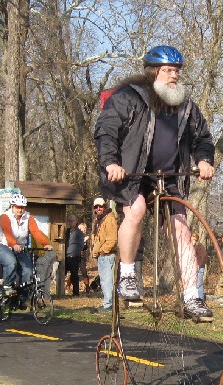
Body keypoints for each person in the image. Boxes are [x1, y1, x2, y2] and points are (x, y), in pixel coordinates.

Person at [94, 45, 215, 322]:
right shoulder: (129, 97)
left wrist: (204, 159)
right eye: (168, 71)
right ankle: (127, 276)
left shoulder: (185, 105)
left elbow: (203, 137)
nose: (174, 76)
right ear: (153, 73)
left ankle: (192, 296)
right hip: (133, 174)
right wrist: (111, 162)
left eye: (177, 71)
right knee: (134, 210)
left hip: (170, 177)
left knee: (182, 230)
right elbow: (107, 130)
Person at [0, 194, 53, 310]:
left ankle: (23, 299)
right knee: (11, 263)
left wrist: (45, 244)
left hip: (19, 247)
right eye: (17, 207)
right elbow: (8, 233)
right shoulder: (5, 217)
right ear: (12, 206)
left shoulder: (28, 218)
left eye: (22, 207)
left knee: (28, 271)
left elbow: (36, 232)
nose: (20, 210)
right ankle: (7, 287)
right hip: (1, 245)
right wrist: (13, 244)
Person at [90, 197, 117, 311]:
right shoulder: (99, 220)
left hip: (107, 255)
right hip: (102, 256)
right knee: (104, 280)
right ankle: (108, 303)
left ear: (104, 206)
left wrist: (103, 251)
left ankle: (108, 305)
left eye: (100, 206)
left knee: (107, 280)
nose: (98, 208)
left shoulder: (109, 219)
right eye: (96, 207)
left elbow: (112, 238)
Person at [64, 214, 84, 296]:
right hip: (65, 257)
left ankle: (76, 293)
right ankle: (61, 291)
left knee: (74, 275)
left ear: (76, 221)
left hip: (74, 257)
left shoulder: (79, 233)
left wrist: (75, 253)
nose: (71, 222)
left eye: (73, 220)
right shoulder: (67, 231)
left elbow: (81, 245)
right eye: (70, 220)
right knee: (62, 274)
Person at [191, 232, 207, 301]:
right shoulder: (190, 246)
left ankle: (201, 298)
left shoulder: (200, 246)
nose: (192, 240)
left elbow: (203, 257)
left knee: (199, 283)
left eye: (194, 239)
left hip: (199, 267)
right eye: (192, 238)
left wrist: (198, 265)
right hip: (192, 267)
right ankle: (194, 297)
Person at [78, 222, 90, 293]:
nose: (81, 230)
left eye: (83, 229)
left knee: (84, 272)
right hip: (75, 256)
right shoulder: (76, 236)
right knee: (74, 271)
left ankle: (87, 287)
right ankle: (68, 286)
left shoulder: (86, 237)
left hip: (82, 257)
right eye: (80, 229)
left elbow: (85, 248)